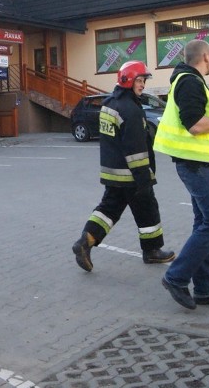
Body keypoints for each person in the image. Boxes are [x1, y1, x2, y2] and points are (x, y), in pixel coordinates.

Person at [154, 39, 209, 310]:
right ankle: (175, 277)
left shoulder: (190, 80)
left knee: (203, 223)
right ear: (206, 56)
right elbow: (194, 125)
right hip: (197, 166)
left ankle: (206, 289)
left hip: (202, 163)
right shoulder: (189, 81)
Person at [72, 61, 175, 272]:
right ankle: (152, 251)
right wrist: (144, 179)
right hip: (131, 175)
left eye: (144, 80)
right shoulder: (131, 110)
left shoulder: (110, 103)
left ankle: (85, 241)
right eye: (139, 80)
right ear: (127, 80)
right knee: (147, 210)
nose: (143, 84)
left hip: (113, 172)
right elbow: (135, 149)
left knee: (108, 210)